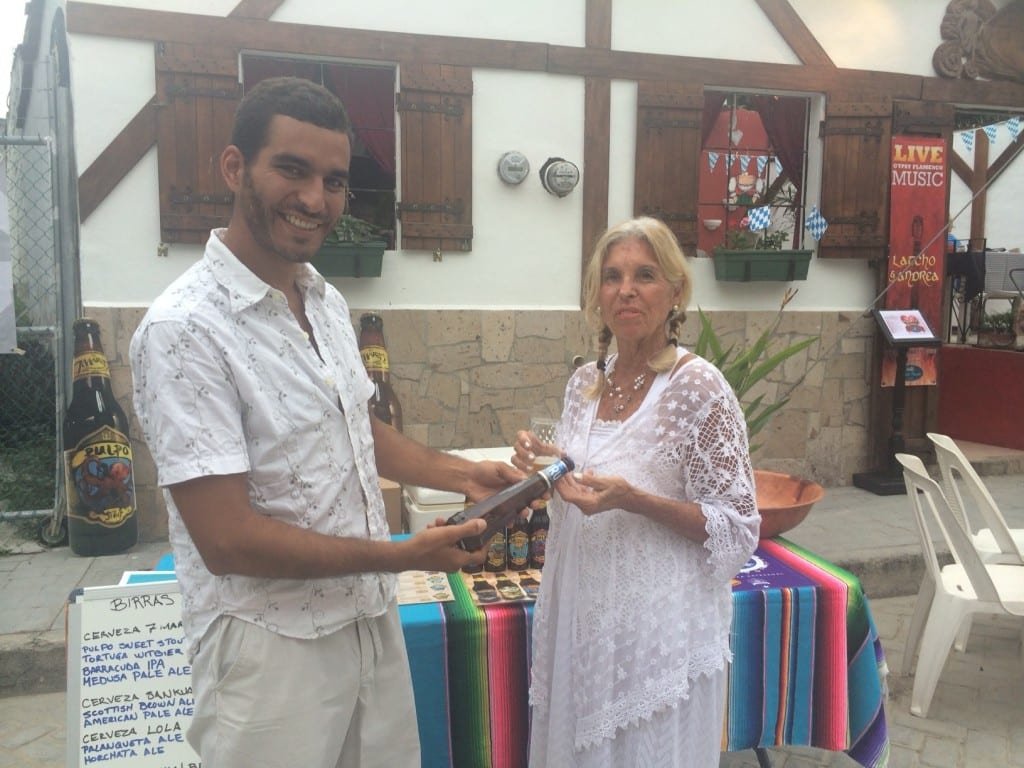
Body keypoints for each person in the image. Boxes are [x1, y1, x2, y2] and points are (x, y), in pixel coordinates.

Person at [129, 77, 521, 768]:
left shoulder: (325, 299)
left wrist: (464, 472)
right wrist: (402, 556)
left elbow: (355, 430)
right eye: (292, 169)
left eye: (335, 180)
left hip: (366, 619)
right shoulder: (183, 330)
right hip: (267, 648)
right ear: (233, 167)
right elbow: (227, 540)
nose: (315, 199)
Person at [512, 216, 759, 767]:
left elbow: (738, 524)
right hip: (583, 619)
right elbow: (586, 473)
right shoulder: (585, 383)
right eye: (612, 276)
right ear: (596, 294)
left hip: (656, 633)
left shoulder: (698, 387)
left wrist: (635, 500)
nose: (626, 290)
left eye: (644, 275)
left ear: (675, 291)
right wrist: (546, 466)